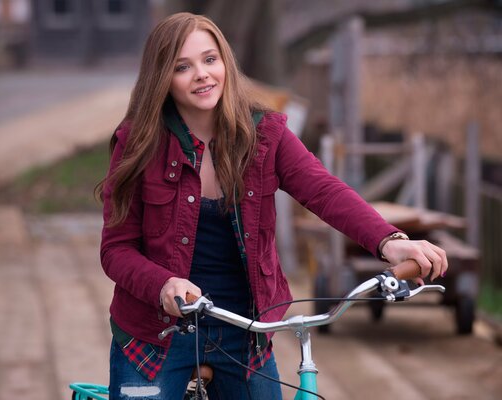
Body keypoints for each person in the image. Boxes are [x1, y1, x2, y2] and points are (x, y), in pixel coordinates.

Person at [99, 12, 448, 400]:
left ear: (225, 64)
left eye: (210, 59)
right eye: (183, 66)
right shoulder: (138, 144)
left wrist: (389, 241)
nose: (202, 74)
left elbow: (325, 191)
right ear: (162, 77)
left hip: (245, 329)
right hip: (156, 332)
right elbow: (116, 250)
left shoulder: (265, 134)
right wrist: (163, 284)